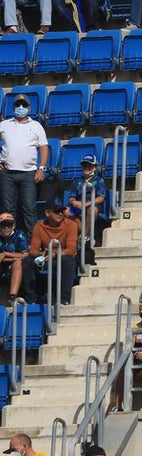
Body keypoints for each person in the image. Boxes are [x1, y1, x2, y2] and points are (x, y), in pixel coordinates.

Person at [0, 92, 48, 233]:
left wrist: (41, 168)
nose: (21, 107)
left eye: (24, 104)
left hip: (29, 174)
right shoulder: (4, 125)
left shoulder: (36, 125)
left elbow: (44, 147)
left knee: (29, 209)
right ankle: (9, 241)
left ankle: (32, 242)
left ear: (29, 107)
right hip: (7, 173)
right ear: (13, 107)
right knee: (7, 210)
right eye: (17, 104)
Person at [23, 202, 79, 305]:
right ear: (47, 213)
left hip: (62, 256)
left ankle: (64, 299)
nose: (60, 214)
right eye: (56, 212)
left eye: (62, 211)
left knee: (68, 260)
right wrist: (42, 254)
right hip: (45, 257)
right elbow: (33, 250)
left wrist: (54, 253)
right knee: (27, 261)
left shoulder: (71, 225)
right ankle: (31, 298)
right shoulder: (39, 226)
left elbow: (71, 249)